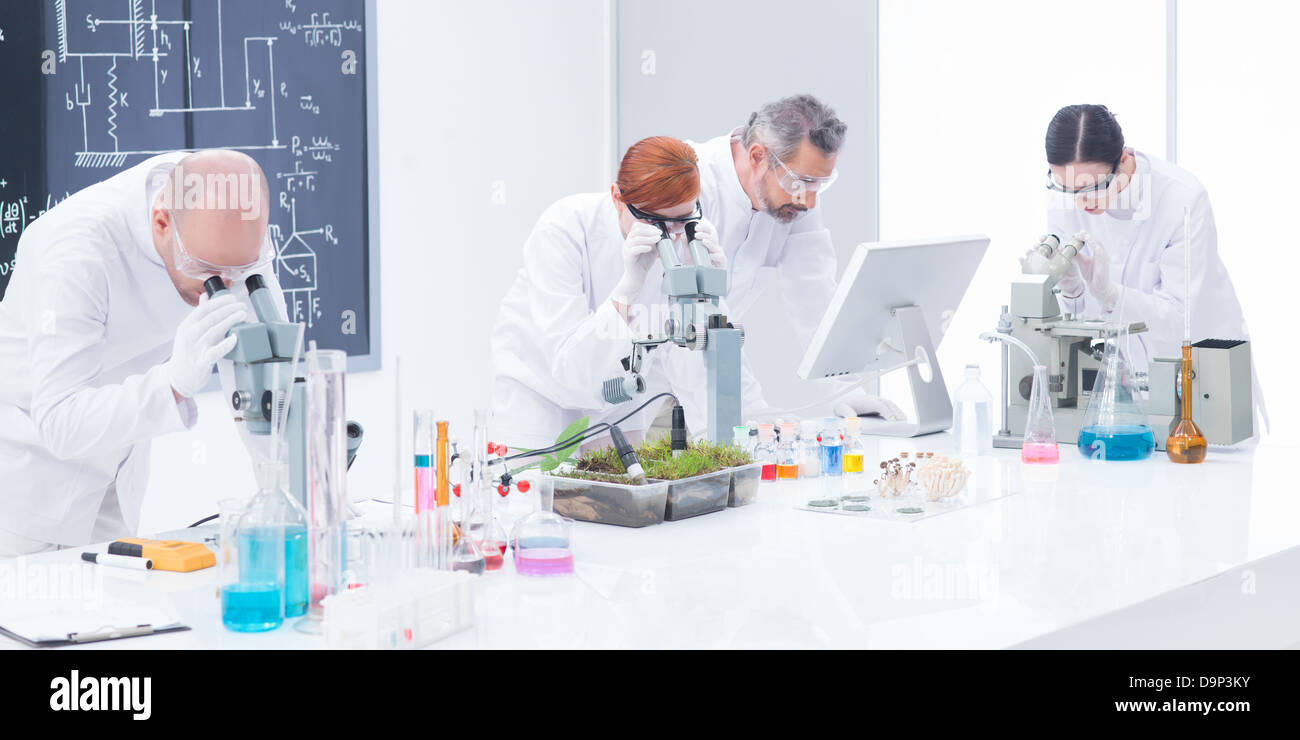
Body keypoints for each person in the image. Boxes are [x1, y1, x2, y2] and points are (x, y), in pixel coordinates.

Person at [0, 150, 286, 556]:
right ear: (161, 223)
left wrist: (290, 487)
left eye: (239, 271)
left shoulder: (233, 220)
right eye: (206, 270)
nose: (224, 286)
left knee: (116, 612)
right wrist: (171, 384)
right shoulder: (74, 253)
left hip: (119, 464)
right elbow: (59, 421)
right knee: (34, 616)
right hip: (30, 485)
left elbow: (266, 373)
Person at [491, 136, 756, 449]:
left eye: (682, 219)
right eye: (653, 220)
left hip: (621, 400)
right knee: (539, 494)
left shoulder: (686, 240)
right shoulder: (564, 228)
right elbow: (569, 369)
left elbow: (692, 366)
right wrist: (629, 285)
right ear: (617, 196)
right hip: (541, 401)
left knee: (623, 492)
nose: (668, 235)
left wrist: (707, 294)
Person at [1036, 103, 1265, 428]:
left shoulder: (1182, 200)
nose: (1080, 203)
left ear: (1124, 159)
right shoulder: (1069, 193)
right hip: (1119, 388)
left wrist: (1112, 295)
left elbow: (1176, 320)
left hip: (1199, 378)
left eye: (1092, 187)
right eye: (1067, 189)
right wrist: (1069, 293)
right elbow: (1084, 322)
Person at [687, 94, 903, 421]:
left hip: (708, 374)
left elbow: (814, 292)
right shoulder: (690, 180)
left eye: (821, 184)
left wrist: (847, 389)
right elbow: (700, 309)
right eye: (803, 182)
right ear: (758, 156)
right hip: (647, 377)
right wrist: (752, 406)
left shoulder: (796, 194)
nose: (811, 201)